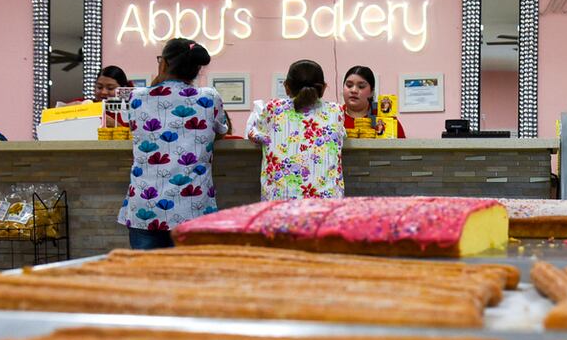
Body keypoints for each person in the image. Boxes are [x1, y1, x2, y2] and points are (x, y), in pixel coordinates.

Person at [116, 38, 227, 250]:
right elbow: (221, 131)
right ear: (196, 69)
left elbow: (132, 126)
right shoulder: (209, 97)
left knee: (147, 278)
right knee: (189, 278)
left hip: (145, 211)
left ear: (164, 63)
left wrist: (158, 80)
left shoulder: (136, 98)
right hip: (193, 208)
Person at [247, 59, 345, 200]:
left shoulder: (273, 108)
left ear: (286, 87)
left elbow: (254, 134)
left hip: (280, 203)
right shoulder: (336, 111)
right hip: (326, 204)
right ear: (323, 88)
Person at [341, 65, 406, 138]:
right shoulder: (334, 116)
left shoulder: (386, 119)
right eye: (349, 85)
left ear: (371, 92)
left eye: (361, 86)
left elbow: (403, 147)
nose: (354, 90)